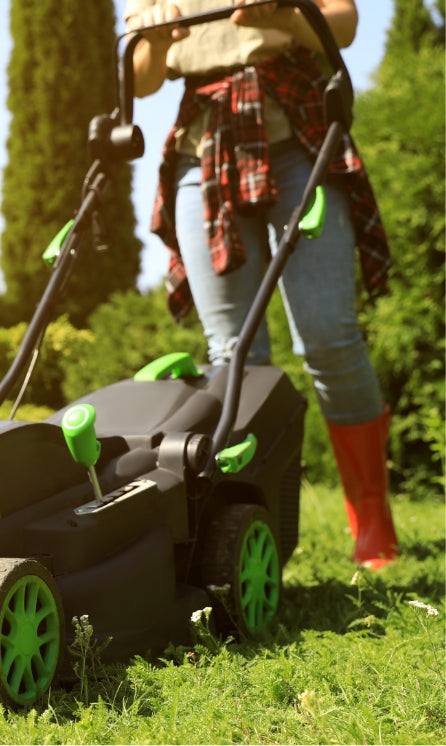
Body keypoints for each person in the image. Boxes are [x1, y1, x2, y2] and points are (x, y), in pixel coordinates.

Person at [124, 0, 398, 569]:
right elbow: (141, 79)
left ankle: (371, 514)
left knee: (329, 334)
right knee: (234, 354)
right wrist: (153, 36)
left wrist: (287, 15)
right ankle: (251, 526)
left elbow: (342, 24)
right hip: (208, 150)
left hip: (298, 134)